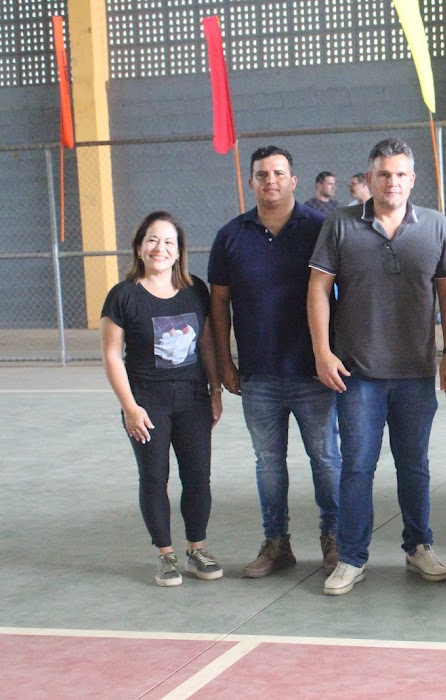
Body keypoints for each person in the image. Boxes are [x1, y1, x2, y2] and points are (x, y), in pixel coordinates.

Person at [308, 138, 446, 596]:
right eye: (383, 175)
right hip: (357, 374)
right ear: (369, 179)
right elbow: (318, 290)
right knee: (357, 467)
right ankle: (352, 557)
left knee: (415, 465)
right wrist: (322, 352)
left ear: (412, 179)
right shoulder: (340, 224)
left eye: (400, 175)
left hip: (415, 373)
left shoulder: (436, 226)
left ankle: (419, 546)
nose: (392, 182)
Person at [209, 145, 341, 579]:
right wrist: (225, 362)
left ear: (293, 180)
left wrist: (333, 355)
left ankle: (335, 538)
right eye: (262, 174)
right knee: (268, 463)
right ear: (251, 182)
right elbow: (219, 303)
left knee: (326, 459)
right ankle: (276, 542)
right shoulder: (231, 236)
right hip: (258, 374)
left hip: (314, 373)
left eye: (279, 173)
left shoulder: (320, 228)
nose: (271, 181)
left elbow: (341, 293)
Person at [101, 211, 224, 586]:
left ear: (179, 250)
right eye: (152, 240)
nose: (161, 248)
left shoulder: (195, 290)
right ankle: (165, 555)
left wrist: (215, 390)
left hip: (193, 399)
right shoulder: (123, 296)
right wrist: (130, 407)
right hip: (147, 403)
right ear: (139, 247)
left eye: (169, 241)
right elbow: (112, 356)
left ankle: (196, 549)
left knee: (198, 477)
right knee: (154, 477)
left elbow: (206, 343)